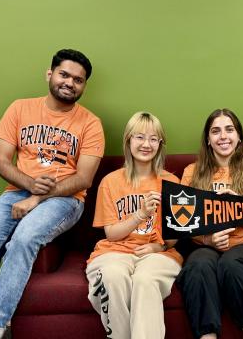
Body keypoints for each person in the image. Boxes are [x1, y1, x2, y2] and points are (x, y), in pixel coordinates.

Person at [0, 49, 105, 338]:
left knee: (24, 239)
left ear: (83, 86)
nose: (70, 83)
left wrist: (38, 196)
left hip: (65, 200)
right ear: (49, 74)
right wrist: (29, 184)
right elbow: (0, 161)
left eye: (78, 80)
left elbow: (83, 178)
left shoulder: (90, 123)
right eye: (64, 74)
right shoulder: (19, 109)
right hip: (16, 192)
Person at [176, 109, 243, 339]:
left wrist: (237, 206)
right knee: (198, 265)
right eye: (216, 131)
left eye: (229, 130)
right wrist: (207, 240)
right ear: (208, 140)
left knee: (233, 262)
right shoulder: (192, 173)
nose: (223, 137)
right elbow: (183, 224)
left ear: (239, 137)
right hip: (206, 247)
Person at [86, 112, 182, 339]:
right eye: (139, 137)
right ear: (128, 141)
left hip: (158, 255)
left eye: (153, 139)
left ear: (160, 144)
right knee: (112, 276)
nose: (146, 144)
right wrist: (140, 214)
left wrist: (157, 248)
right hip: (114, 252)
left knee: (145, 279)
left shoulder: (172, 183)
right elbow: (111, 234)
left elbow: (172, 239)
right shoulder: (110, 182)